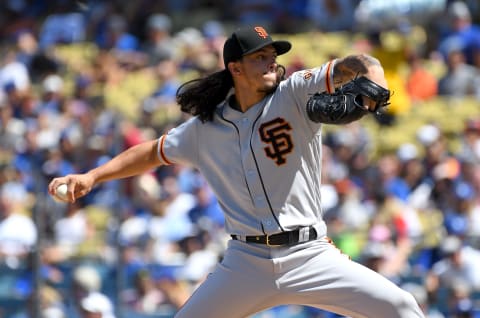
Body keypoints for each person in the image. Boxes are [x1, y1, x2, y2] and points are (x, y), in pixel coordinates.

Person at [49, 25, 424, 317]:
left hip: (310, 254)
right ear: (236, 68)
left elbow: (353, 64)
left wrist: (376, 77)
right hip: (246, 263)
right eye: (260, 57)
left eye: (272, 56)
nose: (272, 63)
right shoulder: (204, 129)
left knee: (401, 308)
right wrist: (92, 177)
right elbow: (150, 152)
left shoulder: (294, 92)